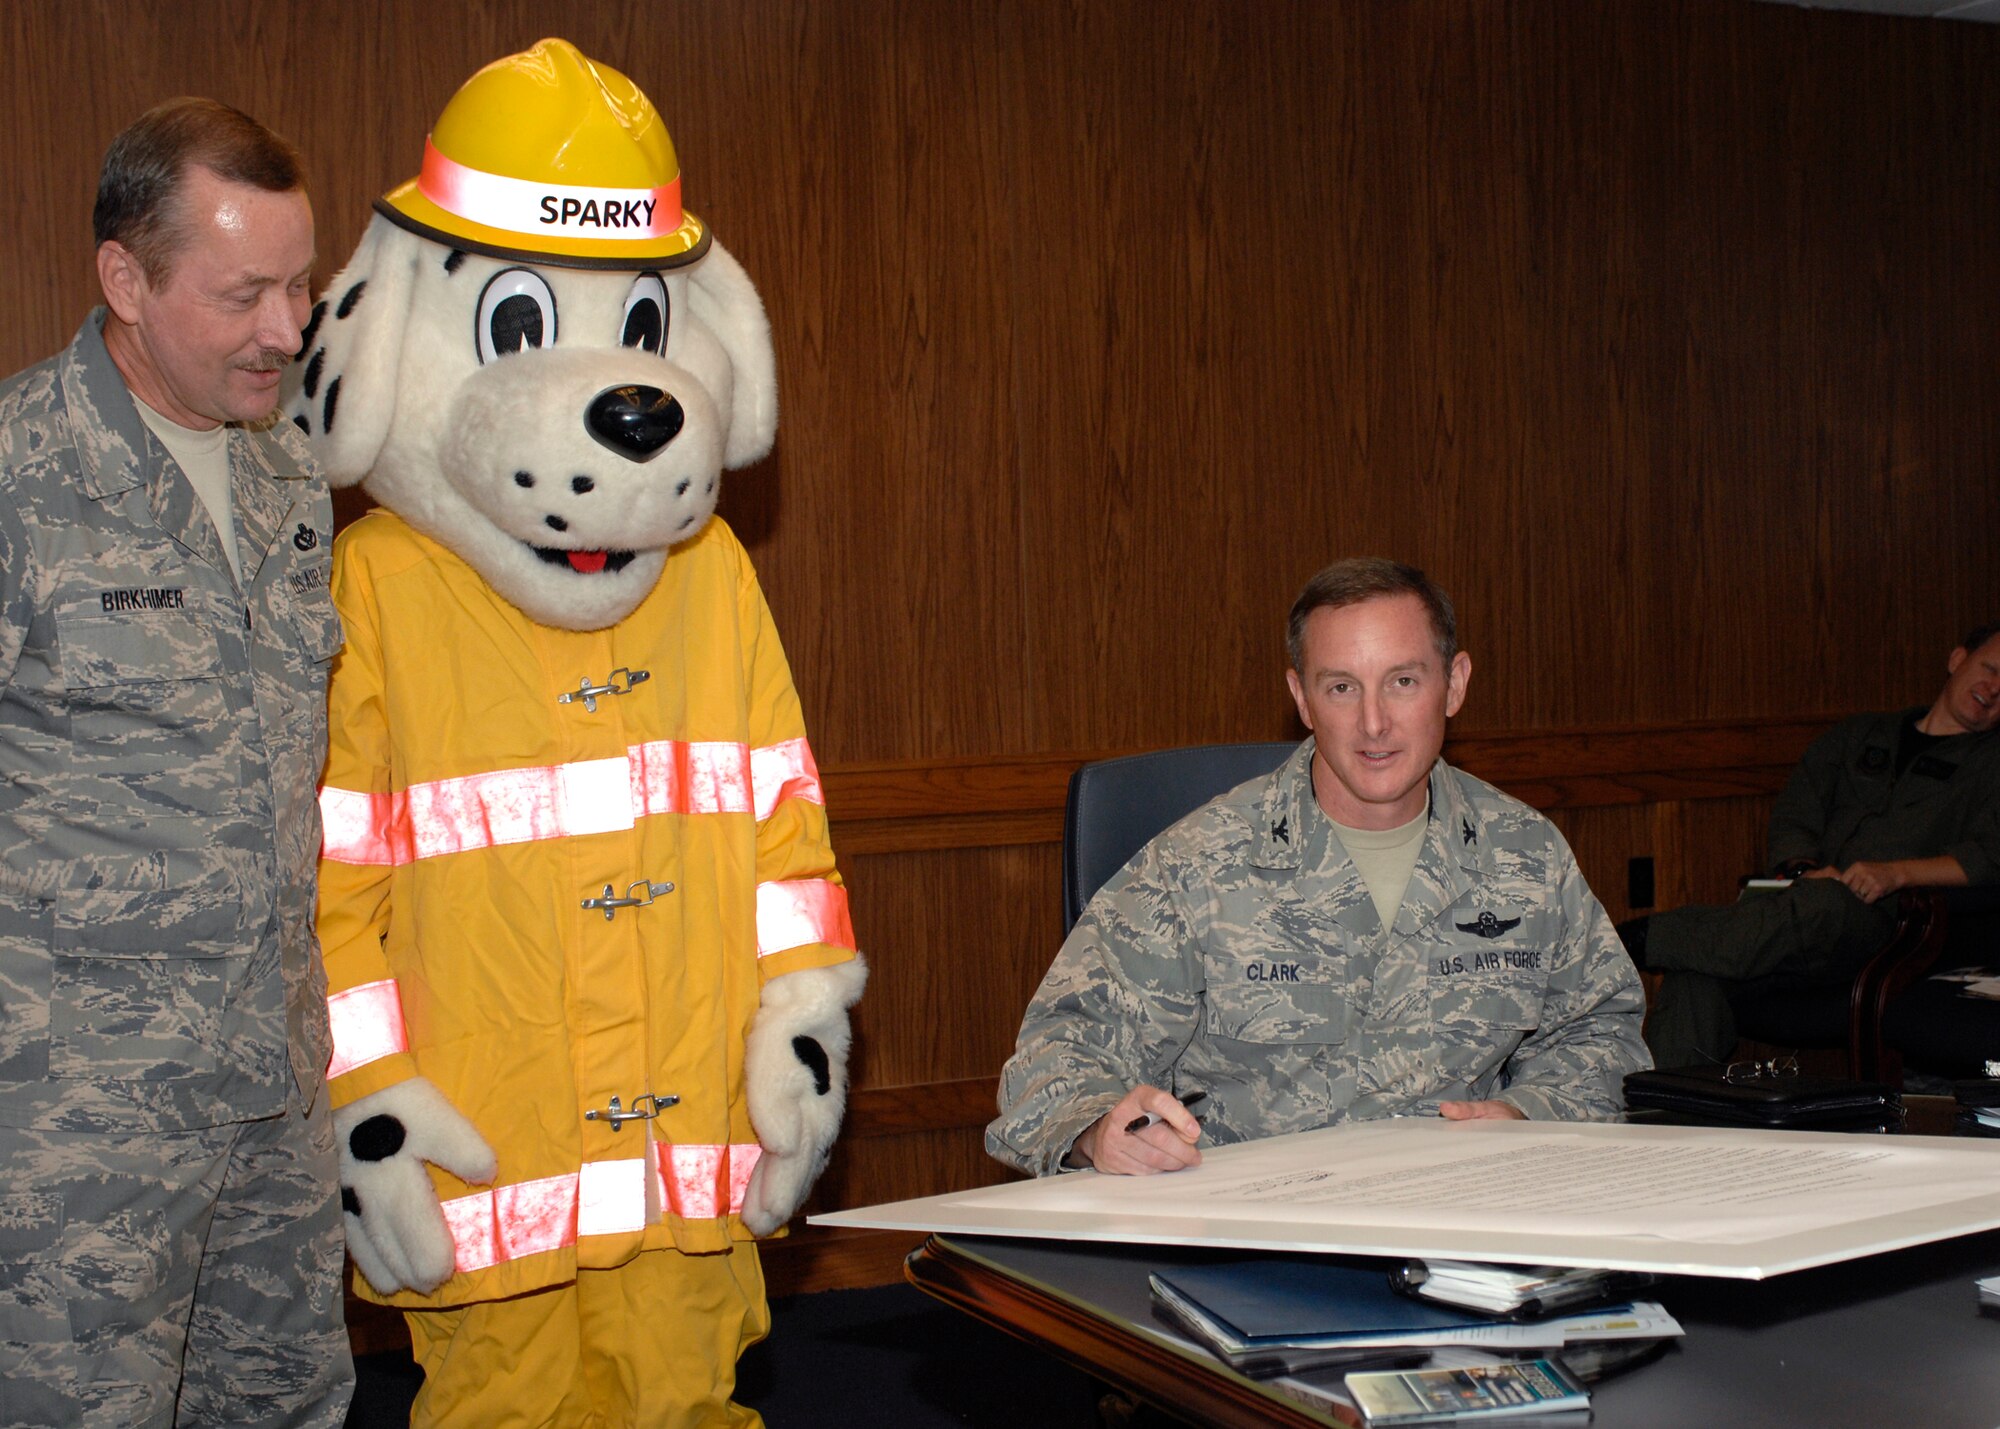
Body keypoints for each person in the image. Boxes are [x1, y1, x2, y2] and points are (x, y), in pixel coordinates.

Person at [0, 100, 351, 1426]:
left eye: (300, 281)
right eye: (243, 292)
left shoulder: (288, 483)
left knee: (286, 1405)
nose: (287, 327)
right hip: (70, 1138)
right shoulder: (21, 478)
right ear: (125, 280)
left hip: (273, 1094)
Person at [988, 558, 1650, 1178]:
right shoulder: (1199, 867)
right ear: (1301, 699)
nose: (1374, 723)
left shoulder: (1525, 855)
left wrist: (1527, 1113)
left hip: (1466, 1220)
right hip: (1255, 1239)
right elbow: (1056, 1057)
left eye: (1403, 681)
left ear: (1454, 684)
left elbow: (1601, 1032)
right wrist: (1100, 1129)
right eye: (1341, 687)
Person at [1634, 623, 2000, 1070]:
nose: (1993, 689)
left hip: (1884, 921)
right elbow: (1797, 807)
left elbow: (1989, 856)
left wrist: (1896, 873)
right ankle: (1661, 1118)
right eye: (1990, 669)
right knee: (1697, 975)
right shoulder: (1863, 734)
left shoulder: (1990, 766)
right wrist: (1802, 868)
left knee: (1824, 903)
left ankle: (1632, 940)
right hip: (1797, 909)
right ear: (1957, 659)